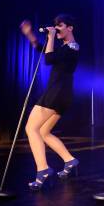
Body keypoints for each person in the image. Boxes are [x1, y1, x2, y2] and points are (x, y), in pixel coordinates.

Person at [20, 15, 80, 190]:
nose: (57, 28)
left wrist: (52, 36)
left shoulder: (73, 48)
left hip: (56, 94)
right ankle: (69, 160)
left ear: (70, 28)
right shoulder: (65, 48)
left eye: (60, 26)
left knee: (31, 129)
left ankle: (43, 169)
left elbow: (48, 59)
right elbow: (43, 50)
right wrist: (30, 34)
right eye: (55, 26)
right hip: (61, 94)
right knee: (44, 132)